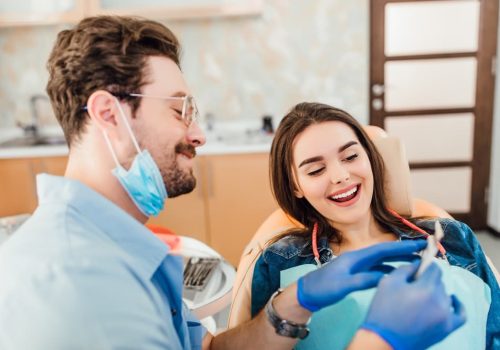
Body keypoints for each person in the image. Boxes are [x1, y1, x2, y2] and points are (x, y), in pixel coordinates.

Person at [0, 16, 468, 350]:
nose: (198, 133)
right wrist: (380, 341)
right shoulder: (81, 287)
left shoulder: (121, 248)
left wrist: (293, 304)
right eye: (179, 109)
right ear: (109, 114)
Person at [251, 102, 500, 349]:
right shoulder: (279, 261)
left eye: (351, 156)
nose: (340, 176)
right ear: (295, 186)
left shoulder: (453, 238)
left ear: (369, 158)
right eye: (316, 170)